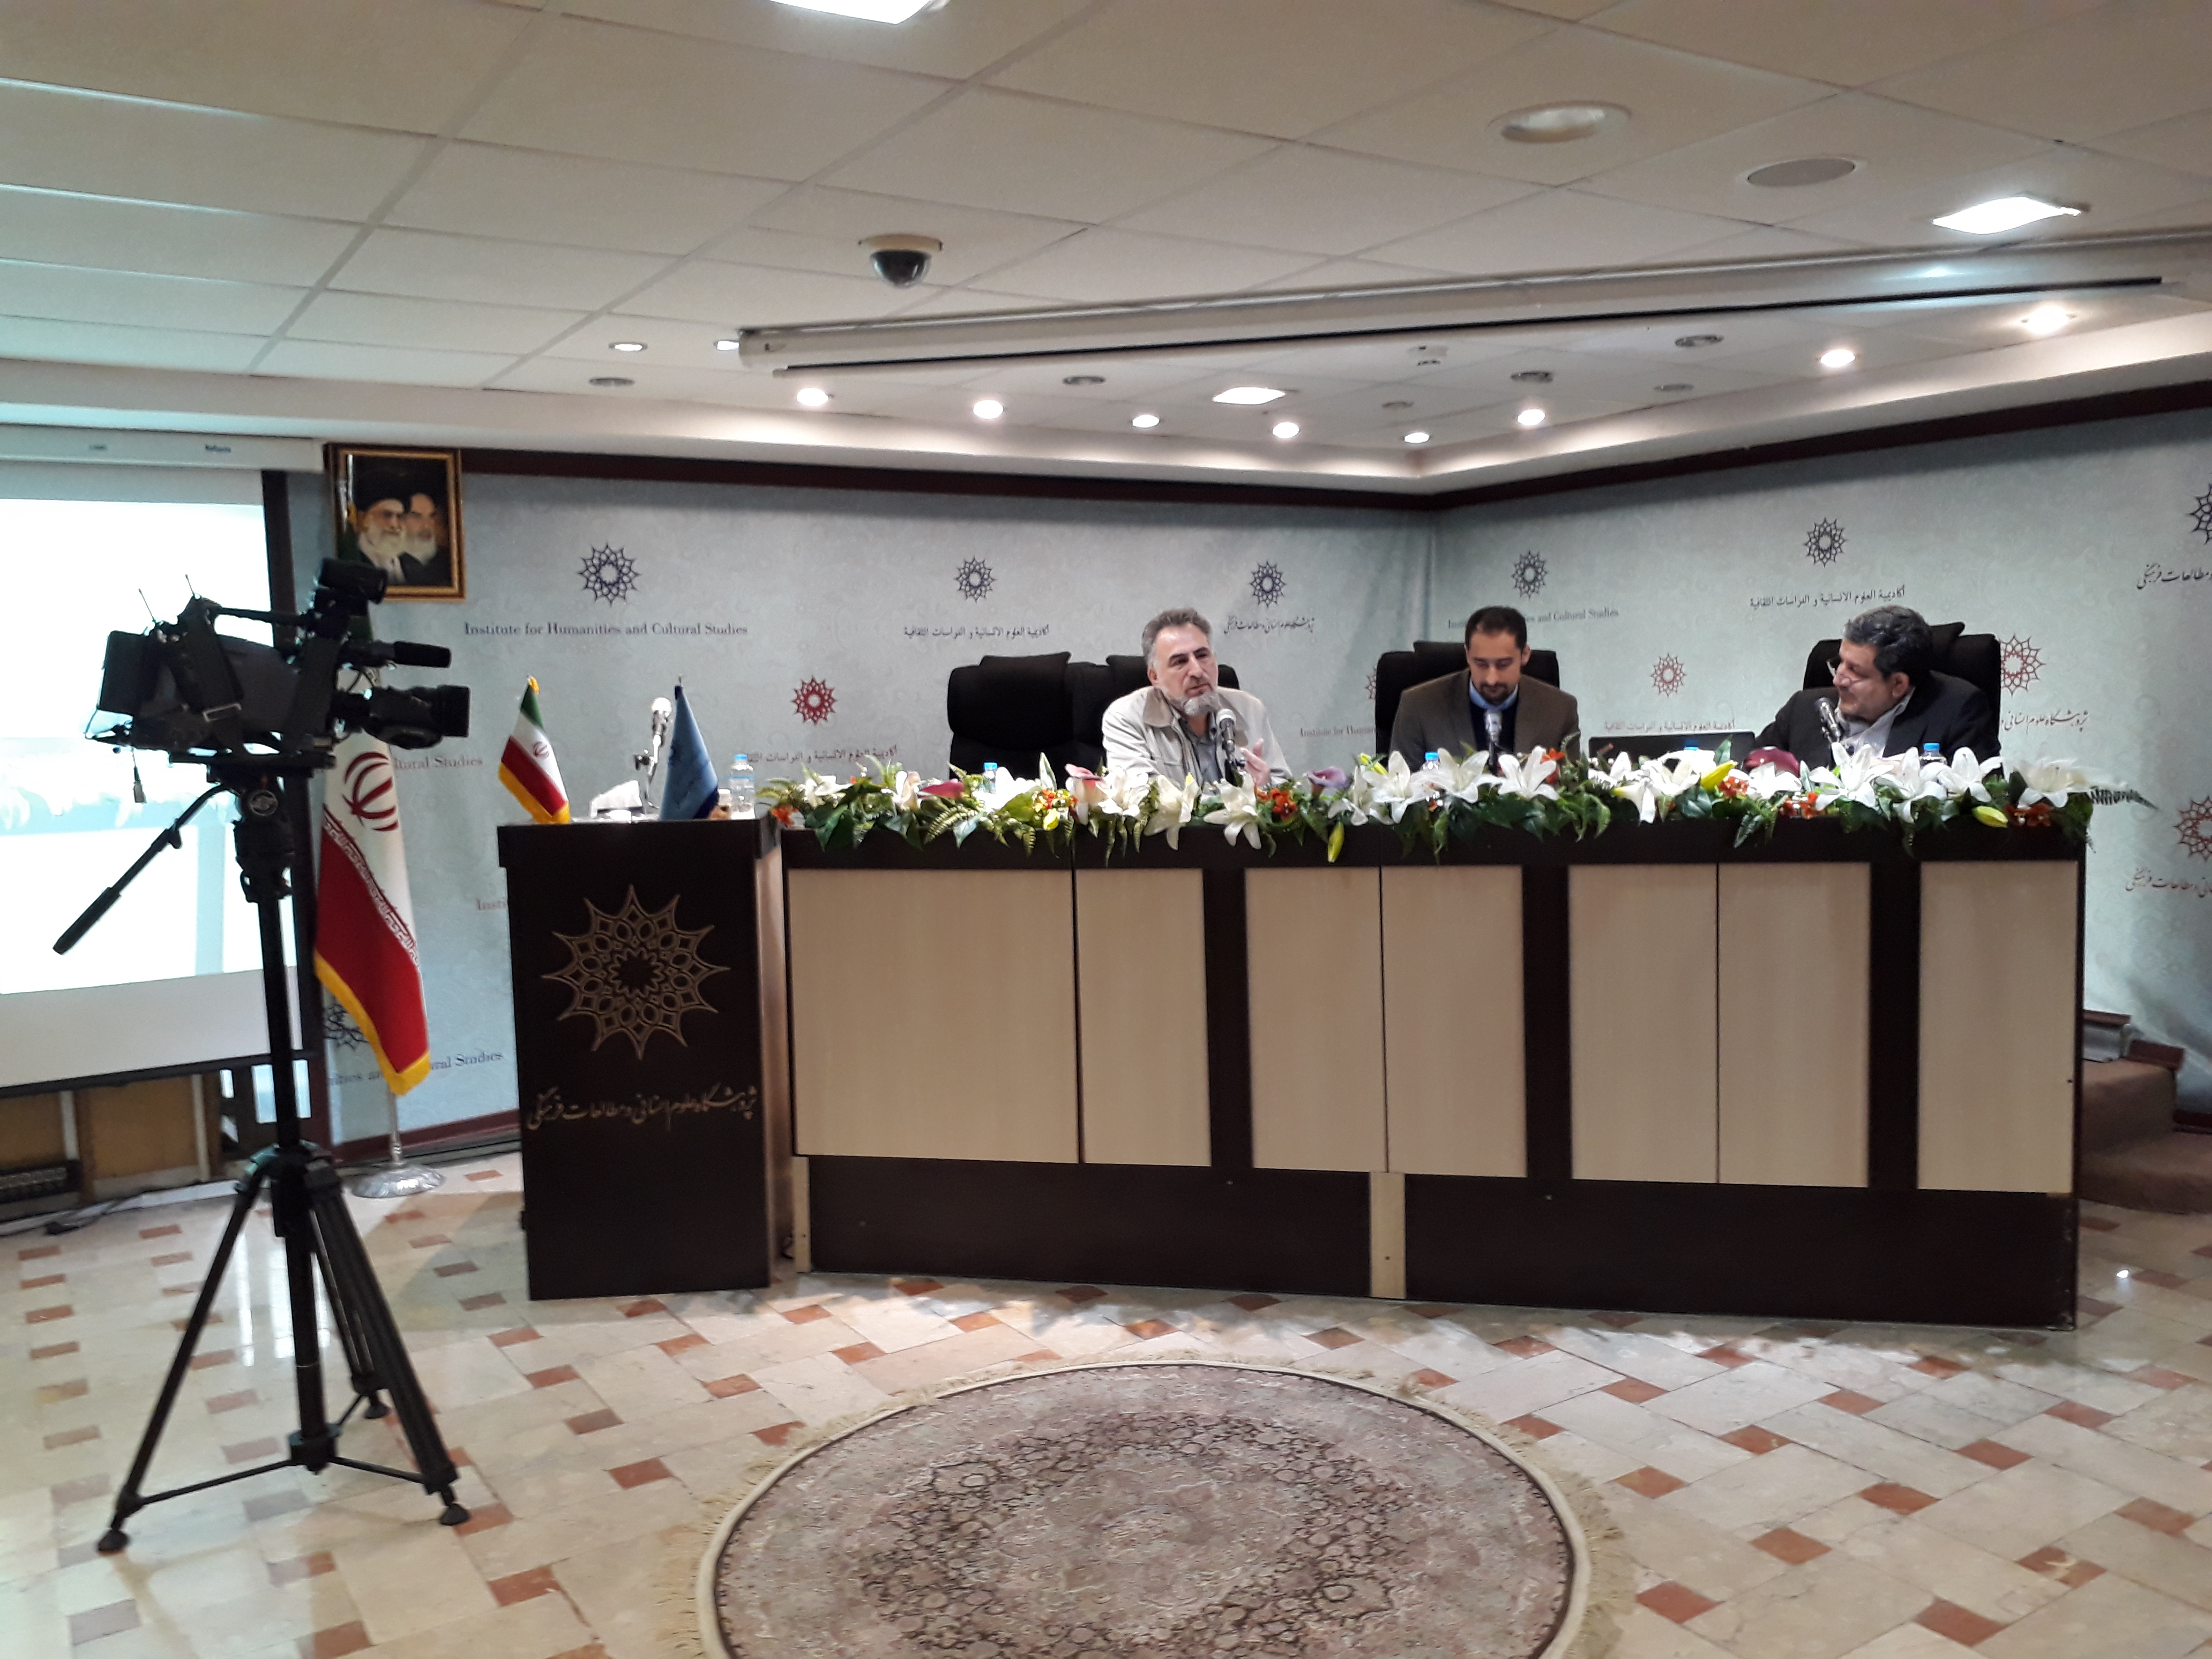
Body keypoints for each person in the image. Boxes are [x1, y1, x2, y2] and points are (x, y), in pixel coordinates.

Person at [1755, 603, 1997, 767]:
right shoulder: (1802, 710)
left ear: (1898, 684)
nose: (1838, 680)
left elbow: (1977, 805)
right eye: (1839, 663)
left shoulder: (1958, 712)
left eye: (1855, 671)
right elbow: (1746, 774)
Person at [1102, 607, 1289, 786]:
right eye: (1180, 662)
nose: (1197, 671)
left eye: (1202, 656)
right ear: (1155, 677)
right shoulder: (1127, 717)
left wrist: (1266, 788)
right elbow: (1140, 798)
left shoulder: (1250, 709)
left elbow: (1284, 786)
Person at [1389, 604, 1579, 764]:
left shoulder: (1560, 710)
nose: (1491, 679)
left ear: (1525, 655)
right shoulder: (1418, 707)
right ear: (1467, 655)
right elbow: (1401, 787)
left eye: (1503, 665)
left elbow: (1571, 790)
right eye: (1481, 664)